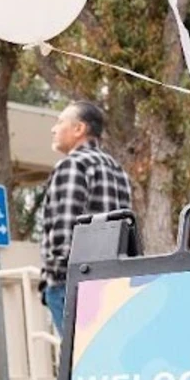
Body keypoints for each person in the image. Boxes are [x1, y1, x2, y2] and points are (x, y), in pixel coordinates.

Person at [38, 100, 131, 335]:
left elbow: (64, 230)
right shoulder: (117, 169)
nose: (53, 129)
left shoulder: (72, 165)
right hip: (112, 282)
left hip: (73, 284)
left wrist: (52, 277)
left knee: (77, 356)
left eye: (60, 122)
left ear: (79, 129)